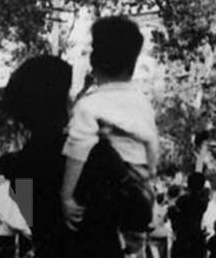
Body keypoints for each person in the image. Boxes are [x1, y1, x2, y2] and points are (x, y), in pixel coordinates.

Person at [2, 55, 123, 258]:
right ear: (58, 103)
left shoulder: (17, 166)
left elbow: (37, 221)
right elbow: (132, 209)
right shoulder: (96, 152)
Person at [61, 16, 157, 252]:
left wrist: (67, 195)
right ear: (133, 64)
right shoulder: (143, 103)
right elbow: (151, 144)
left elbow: (78, 150)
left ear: (94, 62)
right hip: (137, 186)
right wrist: (149, 180)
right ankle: (132, 237)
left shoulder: (88, 105)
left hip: (105, 189)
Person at [169, 172, 209, 258]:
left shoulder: (182, 200)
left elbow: (174, 216)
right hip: (196, 238)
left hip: (182, 238)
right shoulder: (202, 202)